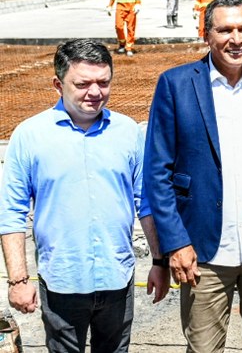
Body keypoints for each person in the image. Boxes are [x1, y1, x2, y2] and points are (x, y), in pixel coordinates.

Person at [144, 0, 242, 353]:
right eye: (225, 29)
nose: (236, 38)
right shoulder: (177, 85)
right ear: (206, 34)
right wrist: (176, 244)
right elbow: (158, 172)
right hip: (204, 252)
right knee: (204, 348)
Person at [0, 39, 169, 353]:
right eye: (83, 83)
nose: (95, 92)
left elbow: (145, 202)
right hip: (62, 281)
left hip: (118, 279)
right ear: (57, 84)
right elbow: (11, 213)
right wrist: (18, 281)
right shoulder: (30, 136)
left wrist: (159, 261)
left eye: (103, 82)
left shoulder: (128, 132)